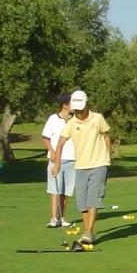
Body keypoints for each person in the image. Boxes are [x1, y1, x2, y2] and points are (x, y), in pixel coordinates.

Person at [51, 91, 111, 245]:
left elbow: (106, 135)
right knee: (82, 203)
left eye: (80, 109)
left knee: (93, 199)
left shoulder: (97, 118)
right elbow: (60, 143)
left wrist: (108, 156)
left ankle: (89, 232)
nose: (78, 112)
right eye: (75, 109)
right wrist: (57, 163)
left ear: (86, 105)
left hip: (99, 163)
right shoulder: (71, 123)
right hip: (81, 166)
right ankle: (87, 231)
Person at [41, 92, 75, 228]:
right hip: (56, 160)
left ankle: (62, 218)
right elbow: (45, 137)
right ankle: (54, 218)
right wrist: (52, 151)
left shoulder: (74, 119)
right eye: (72, 102)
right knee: (55, 190)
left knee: (66, 192)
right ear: (65, 105)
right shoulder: (53, 119)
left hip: (72, 159)